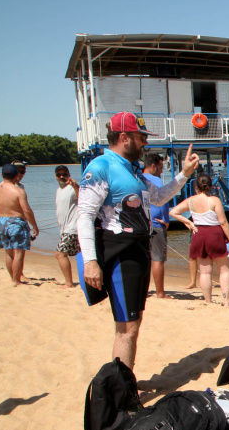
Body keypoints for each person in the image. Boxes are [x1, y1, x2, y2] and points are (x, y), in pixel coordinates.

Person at [76, 111, 199, 371]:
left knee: (134, 323)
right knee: (127, 328)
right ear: (124, 137)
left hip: (140, 250)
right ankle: (121, 390)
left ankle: (125, 382)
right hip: (120, 251)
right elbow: (84, 216)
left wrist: (184, 174)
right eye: (141, 137)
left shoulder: (134, 172)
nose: (145, 143)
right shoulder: (101, 167)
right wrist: (90, 262)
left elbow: (159, 198)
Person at [170, 173, 229, 307]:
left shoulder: (191, 201)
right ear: (211, 186)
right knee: (224, 270)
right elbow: (223, 222)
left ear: (196, 187)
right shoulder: (214, 200)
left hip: (199, 234)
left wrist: (188, 222)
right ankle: (227, 302)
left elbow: (173, 212)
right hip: (215, 234)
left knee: (205, 272)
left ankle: (208, 301)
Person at [0, 164, 40, 286]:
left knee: (9, 253)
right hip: (16, 221)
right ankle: (16, 280)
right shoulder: (18, 191)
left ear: (2, 175)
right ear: (17, 175)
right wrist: (34, 226)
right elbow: (27, 211)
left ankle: (13, 277)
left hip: (1, 221)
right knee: (19, 253)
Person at [142, 154, 169, 298]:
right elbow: (162, 200)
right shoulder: (156, 180)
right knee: (158, 259)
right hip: (157, 223)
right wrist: (166, 220)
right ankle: (160, 292)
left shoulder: (138, 179)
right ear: (153, 166)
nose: (162, 171)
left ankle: (143, 290)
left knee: (144, 259)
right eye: (160, 167)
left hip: (142, 223)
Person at [53, 165, 80, 288]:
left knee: (60, 254)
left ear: (69, 175)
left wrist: (75, 185)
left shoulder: (72, 188)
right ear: (55, 176)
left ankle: (69, 283)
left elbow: (81, 195)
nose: (62, 177)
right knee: (81, 254)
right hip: (65, 228)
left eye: (64, 174)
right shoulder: (59, 190)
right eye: (59, 175)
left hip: (72, 228)